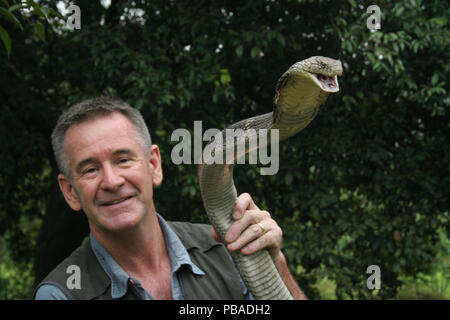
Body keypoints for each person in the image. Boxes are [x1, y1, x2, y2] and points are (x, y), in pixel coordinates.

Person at [33, 97, 307, 300]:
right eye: (90, 169)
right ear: (70, 192)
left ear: (154, 165)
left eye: (123, 160)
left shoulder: (227, 248)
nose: (112, 181)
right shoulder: (61, 294)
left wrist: (276, 266)